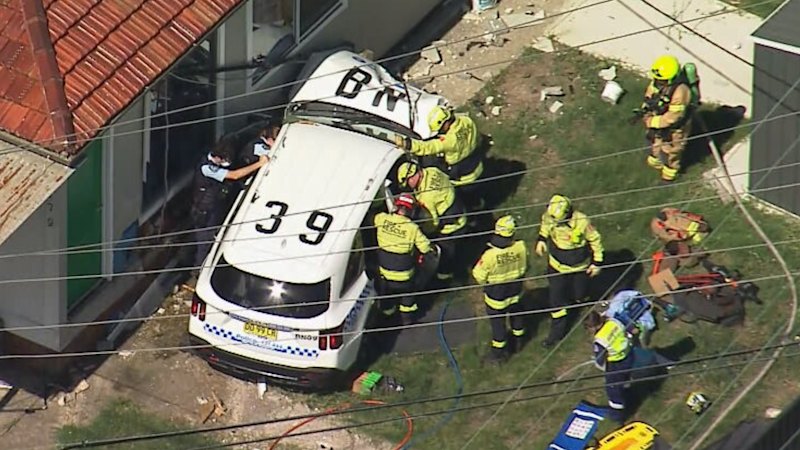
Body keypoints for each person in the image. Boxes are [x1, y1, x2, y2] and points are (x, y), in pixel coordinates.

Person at [535, 194, 604, 348]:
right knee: (556, 301)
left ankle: (580, 301)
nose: (556, 222)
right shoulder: (550, 215)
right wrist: (541, 239)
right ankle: (556, 335)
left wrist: (597, 262)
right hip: (556, 267)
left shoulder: (582, 222)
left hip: (578, 268)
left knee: (579, 295)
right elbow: (546, 225)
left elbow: (595, 239)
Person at [191, 140, 269, 272]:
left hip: (215, 206)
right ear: (217, 157)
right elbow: (234, 175)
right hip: (204, 211)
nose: (227, 163)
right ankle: (199, 270)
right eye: (224, 160)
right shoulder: (207, 168)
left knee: (217, 234)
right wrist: (260, 164)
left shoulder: (216, 160)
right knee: (205, 243)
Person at [374, 193, 439, 324]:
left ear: (396, 207)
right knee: (408, 297)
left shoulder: (381, 219)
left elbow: (374, 218)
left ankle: (387, 319)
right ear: (411, 210)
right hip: (405, 277)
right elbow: (425, 248)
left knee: (387, 298)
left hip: (384, 275)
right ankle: (407, 319)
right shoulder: (412, 228)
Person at [396, 161, 467, 281]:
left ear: (411, 177)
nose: (408, 186)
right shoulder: (432, 170)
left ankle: (446, 274)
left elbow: (433, 223)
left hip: (452, 227)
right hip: (460, 210)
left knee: (446, 250)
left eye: (407, 182)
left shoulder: (427, 197)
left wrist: (422, 232)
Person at [472, 215, 528, 364]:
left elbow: (478, 275)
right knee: (517, 317)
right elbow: (525, 267)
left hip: (496, 297)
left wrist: (488, 283)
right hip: (516, 291)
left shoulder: (490, 255)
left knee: (498, 325)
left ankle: (498, 354)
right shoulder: (521, 247)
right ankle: (518, 342)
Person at [394, 105, 483, 198]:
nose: (440, 132)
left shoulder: (450, 141)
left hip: (464, 179)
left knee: (470, 199)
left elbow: (428, 147)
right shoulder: (466, 121)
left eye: (440, 130)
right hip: (477, 166)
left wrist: (407, 144)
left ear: (444, 123)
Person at [639, 55, 696, 183]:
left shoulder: (681, 92)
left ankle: (669, 173)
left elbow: (674, 117)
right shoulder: (658, 82)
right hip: (659, 118)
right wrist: (646, 109)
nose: (658, 82)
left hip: (675, 129)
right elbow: (649, 95)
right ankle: (656, 160)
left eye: (662, 81)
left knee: (671, 151)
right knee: (654, 140)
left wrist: (653, 122)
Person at [584, 311, 635, 423]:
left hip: (616, 363)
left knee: (613, 389)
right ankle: (630, 395)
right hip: (628, 354)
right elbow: (629, 328)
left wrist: (596, 361)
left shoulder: (600, 339)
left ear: (593, 326)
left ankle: (618, 416)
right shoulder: (614, 322)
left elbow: (600, 360)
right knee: (625, 379)